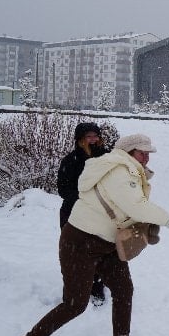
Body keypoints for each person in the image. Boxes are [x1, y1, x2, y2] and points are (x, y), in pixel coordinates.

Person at [10, 133, 169, 336]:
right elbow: (134, 205)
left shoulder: (130, 170)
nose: (147, 157)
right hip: (80, 242)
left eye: (148, 153)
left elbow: (125, 209)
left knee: (123, 290)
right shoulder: (119, 171)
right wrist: (166, 219)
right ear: (129, 152)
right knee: (75, 304)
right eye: (142, 152)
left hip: (107, 243)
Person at [57, 121, 107, 306]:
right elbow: (63, 189)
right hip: (73, 213)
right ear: (80, 140)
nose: (93, 140)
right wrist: (85, 196)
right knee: (72, 254)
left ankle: (96, 288)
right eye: (89, 136)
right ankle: (71, 291)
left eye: (96, 136)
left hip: (100, 214)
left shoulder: (107, 158)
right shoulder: (70, 161)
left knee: (97, 253)